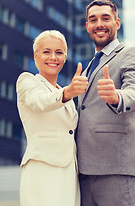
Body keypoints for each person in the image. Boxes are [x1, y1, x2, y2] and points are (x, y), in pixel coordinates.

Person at [76, 0, 135, 206]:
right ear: (87, 26)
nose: (99, 23)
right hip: (84, 173)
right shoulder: (90, 67)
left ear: (117, 23)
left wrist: (117, 96)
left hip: (115, 170)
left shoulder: (130, 54)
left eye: (105, 18)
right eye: (93, 19)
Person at [16, 30, 88, 206]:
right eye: (46, 52)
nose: (53, 57)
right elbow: (38, 102)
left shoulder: (64, 93)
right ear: (36, 56)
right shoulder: (27, 81)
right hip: (43, 168)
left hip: (70, 171)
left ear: (65, 57)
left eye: (59, 52)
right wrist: (67, 93)